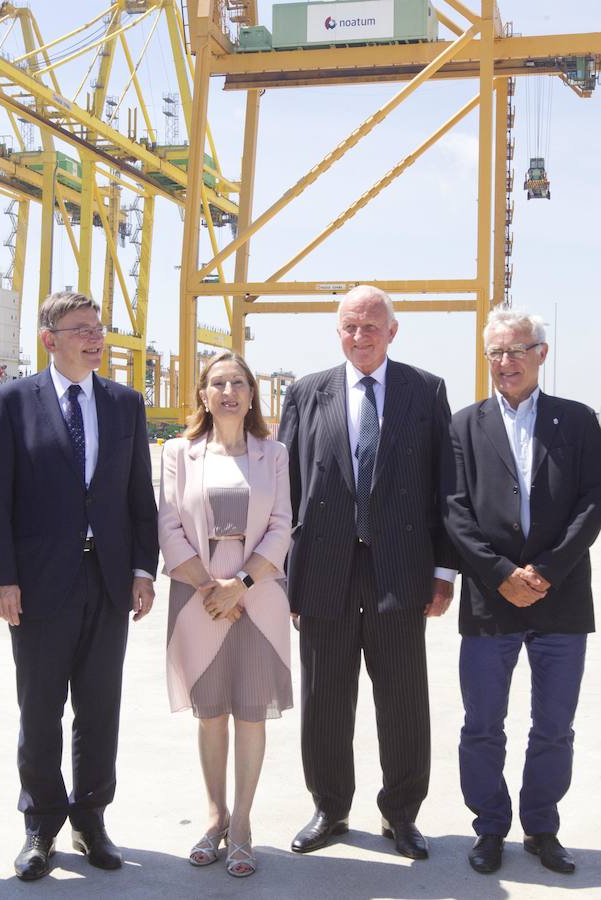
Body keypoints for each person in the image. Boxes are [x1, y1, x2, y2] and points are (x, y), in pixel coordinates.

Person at [0, 291, 159, 881]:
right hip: (36, 586)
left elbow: (139, 497)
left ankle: (92, 818)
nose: (96, 337)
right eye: (81, 328)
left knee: (100, 708)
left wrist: (141, 569)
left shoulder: (125, 404)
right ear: (49, 339)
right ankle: (41, 825)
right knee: (40, 710)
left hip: (107, 581)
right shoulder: (11, 402)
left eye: (99, 327)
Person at [278, 284, 457, 859]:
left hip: (399, 571)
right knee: (325, 699)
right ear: (338, 332)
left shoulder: (425, 391)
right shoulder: (306, 392)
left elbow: (443, 488)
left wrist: (444, 571)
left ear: (393, 331)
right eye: (350, 326)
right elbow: (288, 490)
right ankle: (329, 807)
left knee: (403, 699)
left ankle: (401, 814)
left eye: (371, 326)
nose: (360, 336)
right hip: (324, 570)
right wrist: (285, 576)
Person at [445, 306, 601, 876]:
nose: (505, 362)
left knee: (554, 726)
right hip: (491, 600)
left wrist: (548, 570)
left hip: (560, 600)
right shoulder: (463, 424)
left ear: (541, 353)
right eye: (495, 353)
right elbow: (454, 510)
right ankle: (489, 828)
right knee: (482, 724)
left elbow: (592, 502)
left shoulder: (579, 420)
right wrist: (500, 573)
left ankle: (542, 826)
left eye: (515, 350)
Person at [158, 350, 292, 878]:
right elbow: (168, 525)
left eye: (238, 382)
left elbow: (283, 525)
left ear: (252, 394)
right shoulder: (178, 452)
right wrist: (209, 587)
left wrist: (240, 586)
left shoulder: (273, 453)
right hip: (198, 596)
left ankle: (242, 825)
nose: (229, 391)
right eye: (218, 383)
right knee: (210, 713)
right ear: (204, 396)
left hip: (257, 596)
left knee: (251, 714)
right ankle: (213, 817)